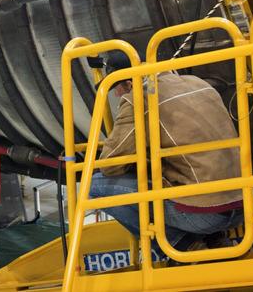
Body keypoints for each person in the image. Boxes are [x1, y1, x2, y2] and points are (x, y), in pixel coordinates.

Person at [89, 52, 242, 253]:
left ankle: (182, 246)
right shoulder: (197, 82)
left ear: (128, 82)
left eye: (116, 87)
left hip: (204, 215)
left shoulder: (141, 97)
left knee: (95, 187)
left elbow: (111, 163)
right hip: (242, 204)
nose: (117, 95)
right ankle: (215, 239)